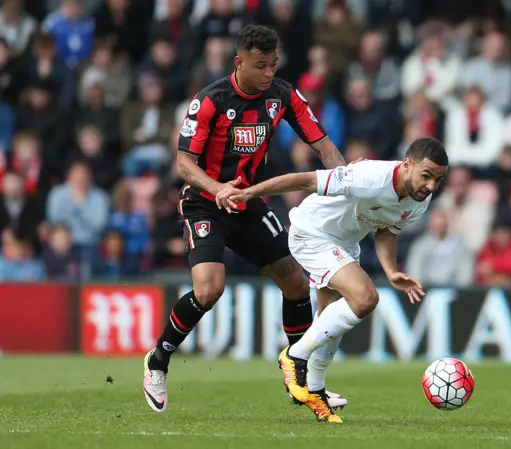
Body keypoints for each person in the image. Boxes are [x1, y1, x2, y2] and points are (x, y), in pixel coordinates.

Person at [143, 25, 348, 414]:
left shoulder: (283, 95)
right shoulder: (209, 102)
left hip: (248, 201)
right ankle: (158, 360)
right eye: (260, 66)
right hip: (205, 201)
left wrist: (346, 185)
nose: (269, 73)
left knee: (295, 282)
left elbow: (324, 146)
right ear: (239, 62)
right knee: (208, 289)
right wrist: (217, 187)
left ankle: (300, 381)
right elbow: (184, 165)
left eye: (273, 64)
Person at [221, 137, 449, 422]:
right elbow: (303, 180)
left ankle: (316, 390)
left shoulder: (420, 200)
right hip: (312, 233)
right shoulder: (369, 177)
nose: (431, 186)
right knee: (365, 298)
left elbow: (387, 232)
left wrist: (391, 272)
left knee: (330, 319)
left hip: (343, 244)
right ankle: (295, 355)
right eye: (426, 176)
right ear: (406, 165)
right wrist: (248, 194)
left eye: (438, 180)